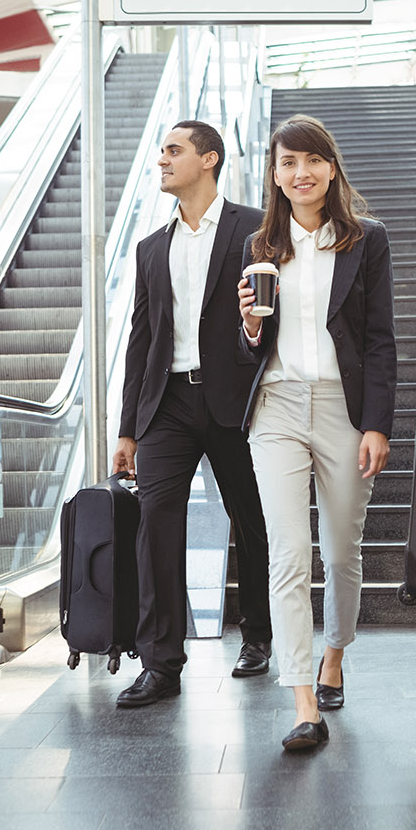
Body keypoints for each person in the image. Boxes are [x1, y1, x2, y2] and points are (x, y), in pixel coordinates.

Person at [236, 114, 396, 751]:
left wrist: (377, 424)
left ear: (331, 168)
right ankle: (303, 698)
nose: (299, 174)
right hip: (275, 406)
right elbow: (252, 346)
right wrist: (249, 327)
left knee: (340, 550)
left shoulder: (366, 241)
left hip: (342, 407)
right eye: (286, 164)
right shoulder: (261, 247)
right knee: (288, 554)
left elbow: (381, 342)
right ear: (274, 175)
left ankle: (334, 654)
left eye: (310, 161)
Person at [113, 120, 273, 708]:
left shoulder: (255, 227)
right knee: (156, 527)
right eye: (160, 152)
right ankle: (161, 663)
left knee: (252, 521)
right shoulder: (151, 247)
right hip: (169, 405)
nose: (162, 160)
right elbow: (141, 338)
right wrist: (129, 427)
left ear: (209, 159)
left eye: (173, 151)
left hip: (236, 399)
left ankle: (257, 634)